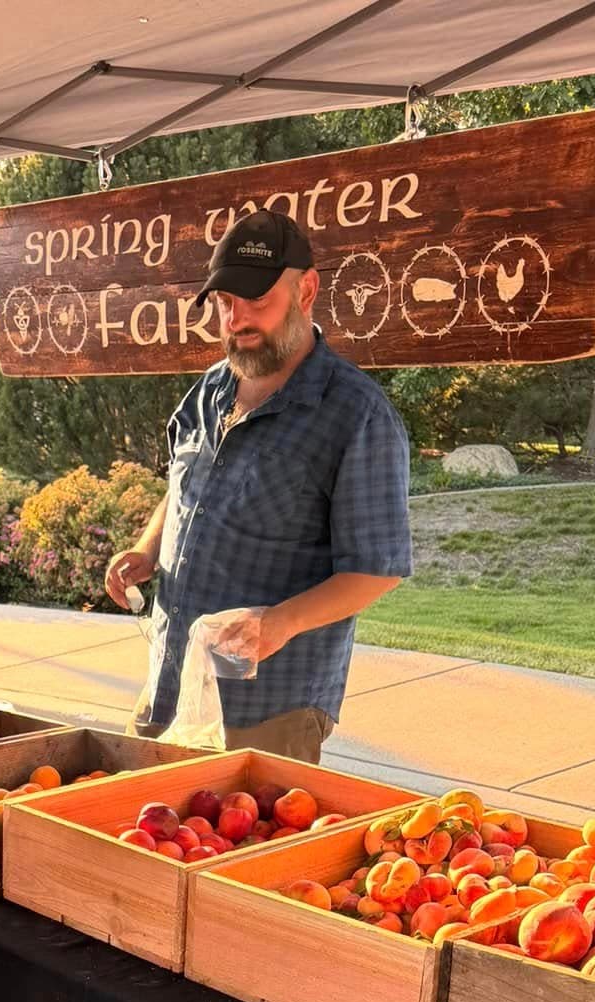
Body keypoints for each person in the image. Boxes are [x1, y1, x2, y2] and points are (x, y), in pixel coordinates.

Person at [105, 210, 412, 764]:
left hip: (269, 710)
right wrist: (147, 549)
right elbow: (183, 487)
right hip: (171, 686)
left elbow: (377, 568)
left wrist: (281, 622)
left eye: (257, 301)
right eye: (226, 304)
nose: (237, 318)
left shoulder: (356, 414)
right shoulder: (208, 392)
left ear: (307, 290)